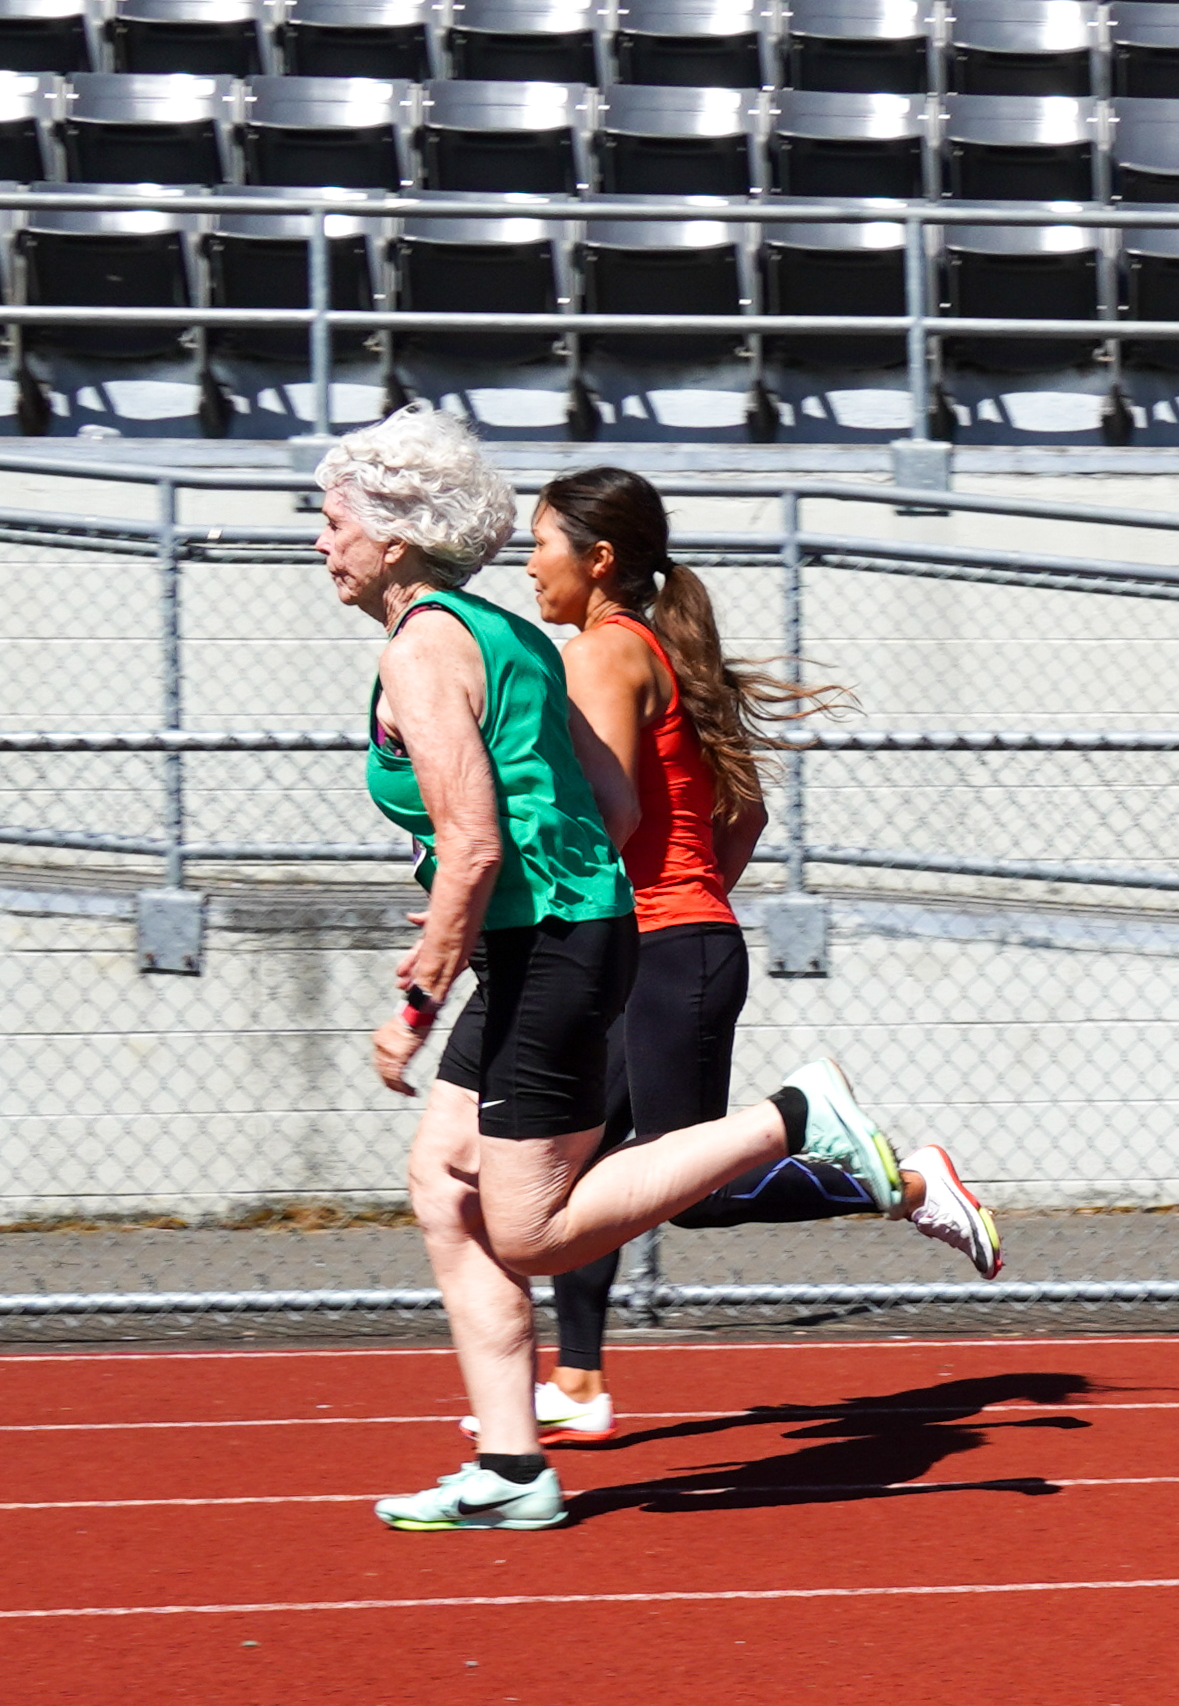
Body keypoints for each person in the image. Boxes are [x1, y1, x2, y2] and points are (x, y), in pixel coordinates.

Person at [320, 407, 913, 1533]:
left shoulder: (423, 647)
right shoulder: (502, 635)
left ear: (394, 536)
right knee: (444, 1184)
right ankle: (510, 1466)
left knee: (533, 1228)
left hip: (552, 945)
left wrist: (414, 995)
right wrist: (477, 887)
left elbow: (481, 837)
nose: (321, 541)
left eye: (333, 518)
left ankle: (794, 1119)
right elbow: (597, 808)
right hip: (546, 932)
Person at [507, 466, 1000, 1450]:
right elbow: (746, 811)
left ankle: (903, 1180)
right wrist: (693, 906)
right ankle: (578, 1379)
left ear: (597, 560)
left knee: (691, 1192)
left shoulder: (604, 654)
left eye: (540, 544)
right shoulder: (644, 649)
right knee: (580, 1171)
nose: (526, 566)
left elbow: (607, 818)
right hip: (666, 945)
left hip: (657, 952)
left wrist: (525, 895)